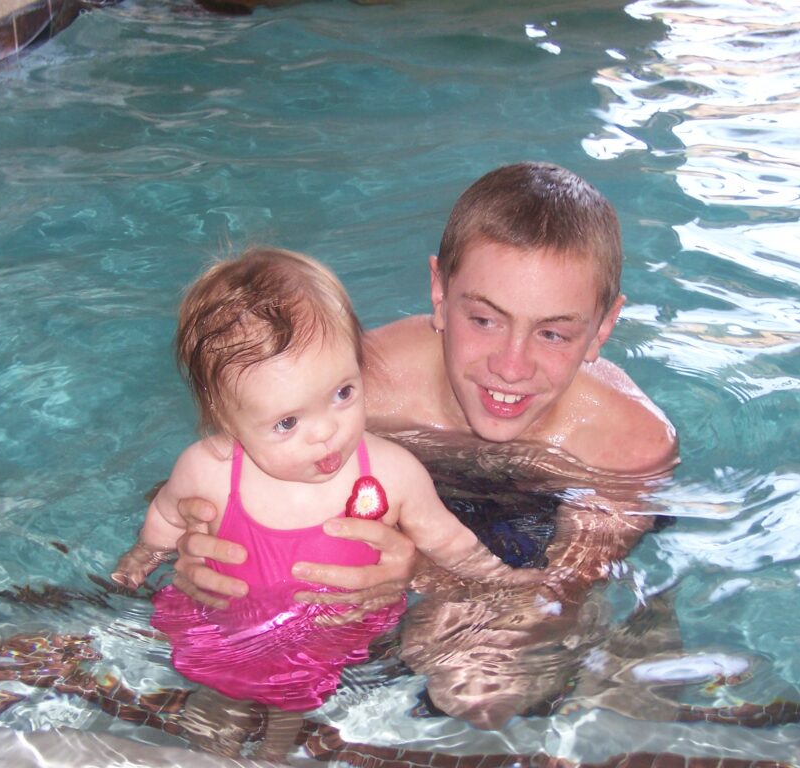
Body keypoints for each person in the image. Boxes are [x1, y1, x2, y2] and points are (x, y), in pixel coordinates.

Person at [127, 162, 679, 729]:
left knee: (476, 682)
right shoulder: (361, 386)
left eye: (553, 333)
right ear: (440, 292)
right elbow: (215, 472)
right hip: (390, 521)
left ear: (603, 326)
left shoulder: (628, 445)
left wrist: (419, 575)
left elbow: (554, 601)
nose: (511, 367)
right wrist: (197, 546)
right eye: (484, 319)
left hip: (522, 537)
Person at [111, 247, 542, 754]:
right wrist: (143, 556)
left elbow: (448, 540)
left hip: (327, 636)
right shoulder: (207, 469)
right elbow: (167, 512)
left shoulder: (392, 473)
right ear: (228, 420)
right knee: (215, 708)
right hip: (226, 626)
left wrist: (504, 583)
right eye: (287, 422)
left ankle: (276, 754)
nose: (326, 433)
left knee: (291, 713)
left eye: (342, 393)